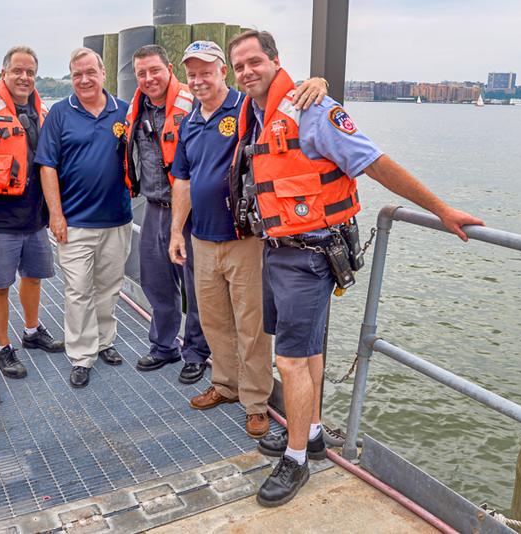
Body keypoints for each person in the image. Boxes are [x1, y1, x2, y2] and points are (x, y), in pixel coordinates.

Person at [227, 29, 484, 506]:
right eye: (238, 65)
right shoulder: (255, 111)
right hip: (278, 251)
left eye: (254, 61)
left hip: (309, 254)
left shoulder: (314, 110)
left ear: (275, 61)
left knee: (292, 360)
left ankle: (298, 459)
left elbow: (375, 162)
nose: (246, 71)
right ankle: (316, 432)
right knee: (306, 352)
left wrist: (440, 210)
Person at [168, 41, 328, 439]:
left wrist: (318, 82)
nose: (199, 79)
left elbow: (281, 97)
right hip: (201, 239)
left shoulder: (245, 109)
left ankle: (256, 402)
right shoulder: (189, 121)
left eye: (207, 71)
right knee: (214, 321)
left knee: (251, 325)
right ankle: (225, 384)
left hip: (244, 239)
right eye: (192, 73)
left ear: (223, 70)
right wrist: (176, 231)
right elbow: (182, 181)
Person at [35, 47, 133, 388]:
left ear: (103, 73)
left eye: (90, 72)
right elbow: (47, 166)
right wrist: (56, 215)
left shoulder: (124, 111)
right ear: (71, 77)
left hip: (117, 219)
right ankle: (81, 355)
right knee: (78, 290)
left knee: (109, 288)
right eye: (77, 74)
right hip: (74, 222)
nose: (84, 79)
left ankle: (105, 341)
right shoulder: (60, 114)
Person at [0, 45, 64, 381]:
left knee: (34, 277)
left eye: (30, 72)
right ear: (4, 72)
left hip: (35, 217)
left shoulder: (42, 112)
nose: (24, 77)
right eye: (18, 71)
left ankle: (32, 330)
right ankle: (4, 347)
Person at [124, 44, 210, 384]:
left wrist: (316, 83)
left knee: (197, 285)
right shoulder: (135, 109)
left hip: (193, 211)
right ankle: (163, 346)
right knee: (155, 281)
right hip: (155, 207)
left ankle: (196, 352)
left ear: (170, 69)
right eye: (141, 73)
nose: (148, 78)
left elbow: (246, 105)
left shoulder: (195, 102)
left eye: (154, 70)